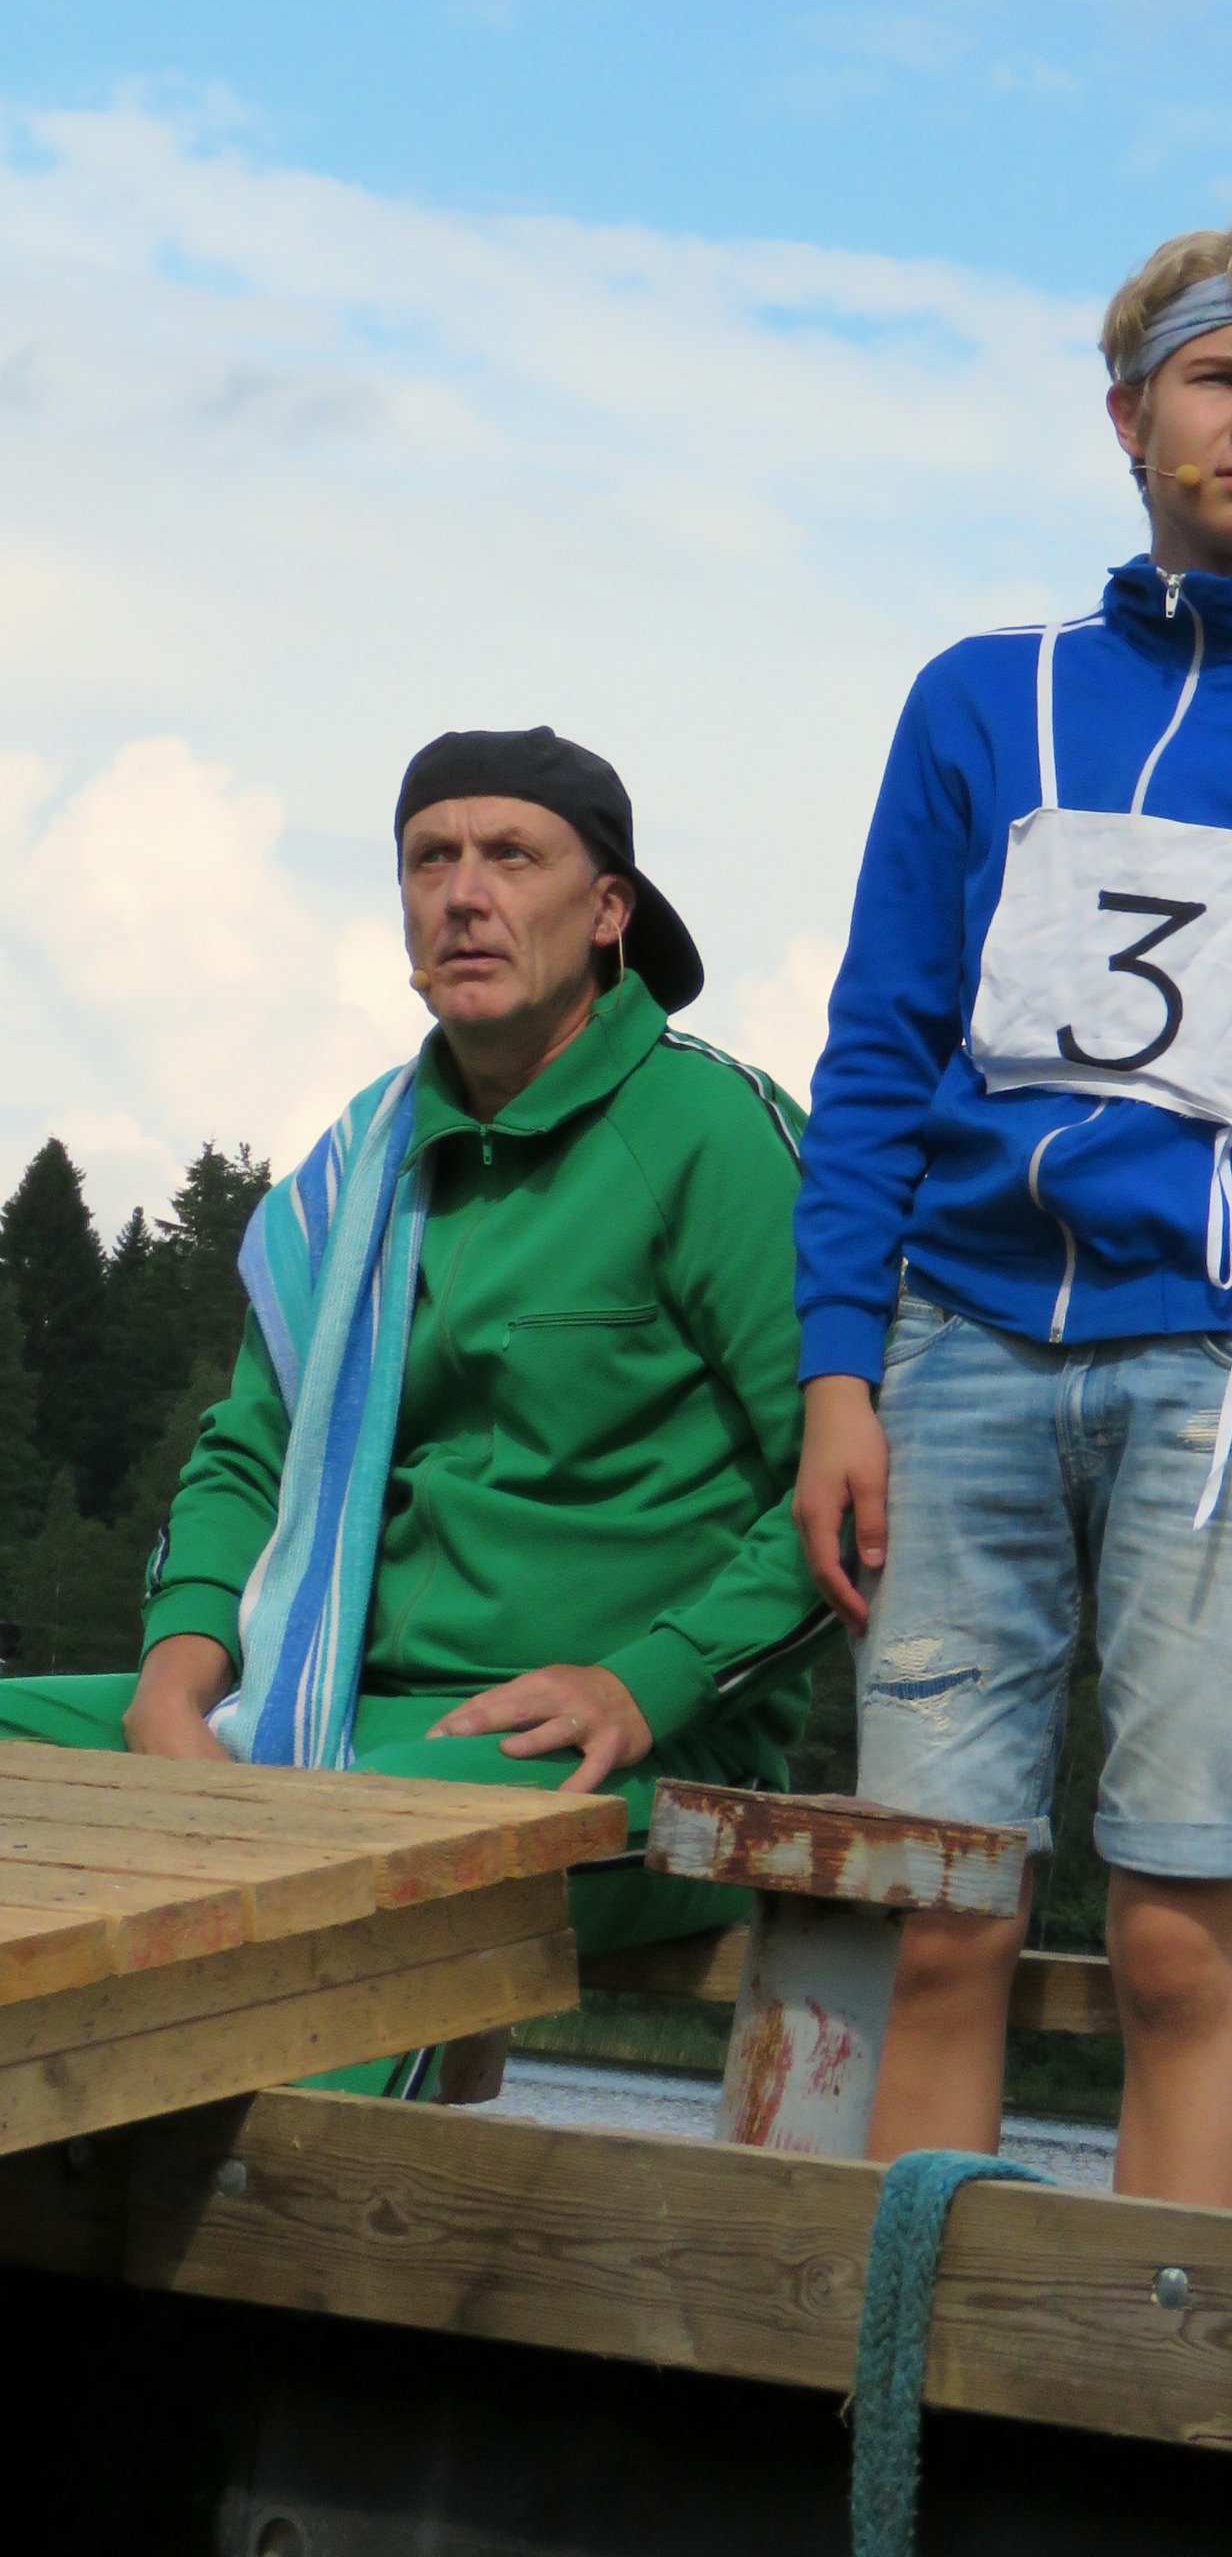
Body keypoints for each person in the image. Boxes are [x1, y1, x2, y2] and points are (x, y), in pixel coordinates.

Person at [791, 211, 1232, 2207]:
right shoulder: (979, 697)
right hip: (957, 1353)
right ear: (1130, 417)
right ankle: (902, 2354)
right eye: (1220, 379)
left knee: (1185, 1941)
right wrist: (838, 1375)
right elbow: (876, 1051)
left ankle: (1153, 2353)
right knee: (939, 1914)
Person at [0, 726, 825, 2084]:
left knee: (347, 1871)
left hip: (629, 1758)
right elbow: (248, 1456)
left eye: (513, 857)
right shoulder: (362, 1164)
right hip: (323, 1705)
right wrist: (172, 1687)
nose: (465, 894)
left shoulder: (713, 1132)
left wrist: (650, 1682)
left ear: (608, 910)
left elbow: (859, 1490)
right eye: (430, 859)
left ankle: (276, 2215)